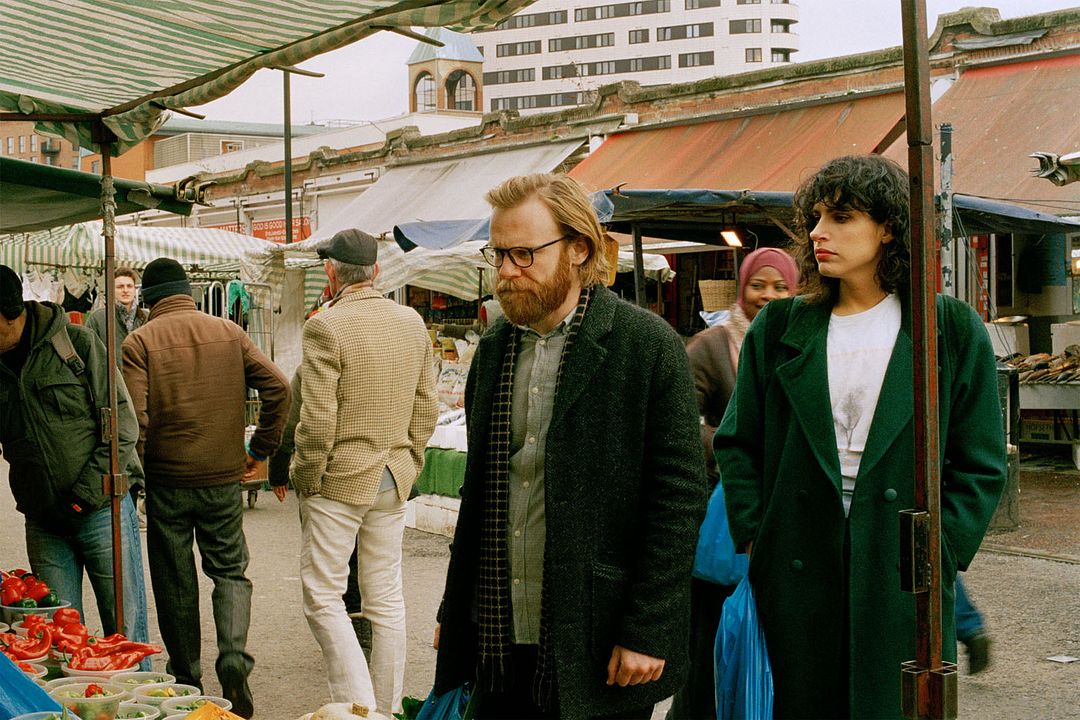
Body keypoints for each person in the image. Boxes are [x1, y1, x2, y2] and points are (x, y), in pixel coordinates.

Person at [715, 154, 1007, 718]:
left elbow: (980, 463)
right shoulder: (779, 327)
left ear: (889, 228)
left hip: (902, 574)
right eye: (816, 218)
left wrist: (941, 550)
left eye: (842, 217)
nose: (819, 233)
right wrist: (757, 538)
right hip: (796, 568)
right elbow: (737, 442)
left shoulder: (946, 328)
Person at [432, 174, 706, 720]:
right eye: (498, 254)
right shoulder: (493, 351)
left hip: (601, 638)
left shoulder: (646, 346)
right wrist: (454, 609)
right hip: (498, 633)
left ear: (578, 249)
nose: (506, 271)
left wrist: (647, 629)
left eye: (524, 254)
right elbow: (480, 499)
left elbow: (677, 502)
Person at [122, 257, 290, 719]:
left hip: (167, 483)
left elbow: (136, 418)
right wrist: (260, 449)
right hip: (222, 479)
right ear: (188, 294)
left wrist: (139, 473)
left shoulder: (139, 342)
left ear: (148, 300)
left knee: (175, 583)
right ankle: (233, 659)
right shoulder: (229, 332)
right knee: (230, 572)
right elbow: (279, 387)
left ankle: (187, 679)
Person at [290, 229, 438, 716]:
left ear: (330, 273)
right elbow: (426, 407)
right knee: (385, 598)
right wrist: (410, 461)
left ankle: (359, 707)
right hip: (393, 475)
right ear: (375, 271)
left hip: (339, 478)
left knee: (324, 596)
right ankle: (387, 709)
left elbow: (317, 421)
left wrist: (306, 478)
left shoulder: (325, 327)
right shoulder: (411, 321)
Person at [669, 247, 799, 719]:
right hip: (721, 520)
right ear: (741, 288)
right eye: (758, 285)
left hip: (783, 520)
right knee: (712, 646)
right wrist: (733, 448)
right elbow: (677, 419)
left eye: (780, 286)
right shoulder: (712, 345)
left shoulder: (801, 344)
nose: (768, 295)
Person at [0, 264, 150, 652]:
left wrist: (83, 496)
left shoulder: (76, 344)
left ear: (10, 315)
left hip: (101, 510)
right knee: (59, 637)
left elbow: (123, 427)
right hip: (44, 520)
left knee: (124, 633)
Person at [85, 267, 146, 366]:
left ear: (134, 289)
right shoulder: (98, 318)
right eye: (120, 287)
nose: (125, 290)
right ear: (111, 290)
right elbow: (89, 353)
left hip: (140, 374)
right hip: (110, 374)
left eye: (129, 286)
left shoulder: (147, 317)